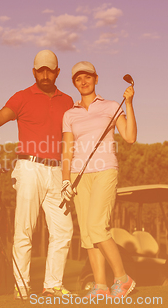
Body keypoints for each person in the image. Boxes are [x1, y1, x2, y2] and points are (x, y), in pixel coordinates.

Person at [0, 50, 75, 300]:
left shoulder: (67, 101)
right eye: (40, 70)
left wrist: (67, 175)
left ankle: (52, 285)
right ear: (34, 72)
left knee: (64, 230)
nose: (45, 74)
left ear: (57, 72)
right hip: (29, 168)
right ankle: (22, 287)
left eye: (49, 70)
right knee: (24, 230)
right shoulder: (22, 97)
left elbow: (72, 137)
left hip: (57, 171)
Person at [61, 61, 137, 298]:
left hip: (105, 170)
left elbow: (130, 137)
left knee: (97, 226)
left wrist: (129, 103)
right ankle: (101, 286)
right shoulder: (70, 114)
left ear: (96, 79)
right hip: (78, 176)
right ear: (74, 83)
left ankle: (123, 279)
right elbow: (67, 150)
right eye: (78, 79)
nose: (83, 82)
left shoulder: (112, 106)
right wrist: (65, 180)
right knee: (87, 234)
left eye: (87, 77)